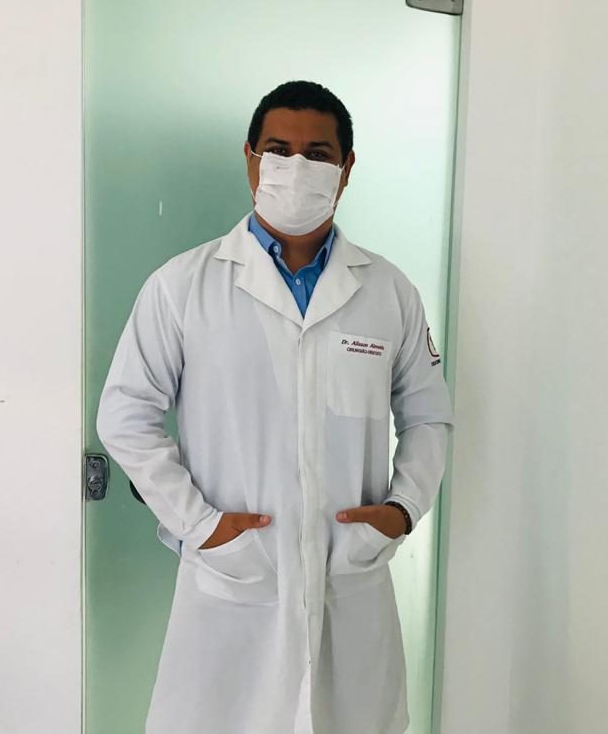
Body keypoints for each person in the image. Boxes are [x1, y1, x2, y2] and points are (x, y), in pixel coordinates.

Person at [96, 80, 454, 734]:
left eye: (318, 153)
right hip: (234, 581)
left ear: (346, 168)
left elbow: (430, 415)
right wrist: (202, 526)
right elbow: (125, 415)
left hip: (349, 575)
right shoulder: (182, 287)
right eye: (278, 150)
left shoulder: (389, 291)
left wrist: (402, 510)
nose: (296, 166)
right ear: (250, 158)